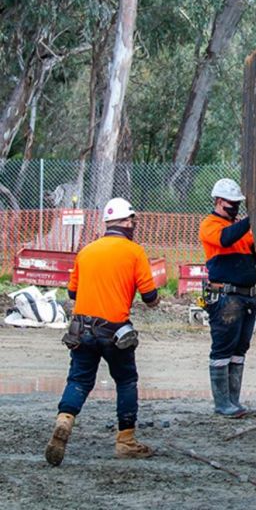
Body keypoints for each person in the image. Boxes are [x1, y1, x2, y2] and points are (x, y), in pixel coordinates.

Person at [45, 197, 159, 466]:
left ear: (107, 223)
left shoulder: (86, 251)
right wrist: (153, 301)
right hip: (115, 331)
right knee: (126, 381)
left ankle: (64, 420)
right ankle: (126, 441)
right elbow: (150, 296)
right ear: (128, 221)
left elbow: (73, 292)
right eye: (132, 220)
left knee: (79, 380)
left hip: (81, 328)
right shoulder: (134, 252)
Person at [199, 178, 256, 418]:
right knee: (223, 348)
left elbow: (253, 256)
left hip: (245, 297)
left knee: (239, 348)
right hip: (226, 296)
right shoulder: (210, 225)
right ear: (219, 201)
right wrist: (252, 219)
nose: (234, 206)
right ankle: (222, 403)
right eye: (231, 202)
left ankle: (233, 402)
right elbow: (225, 239)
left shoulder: (241, 230)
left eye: (237, 203)